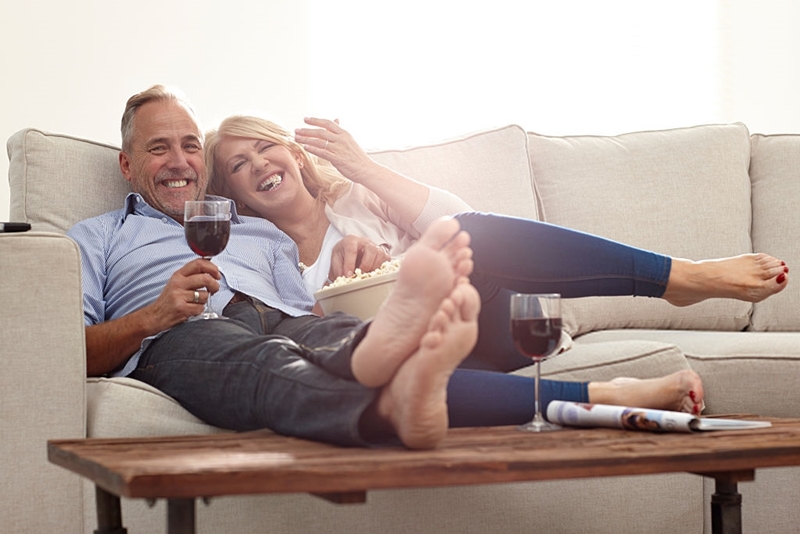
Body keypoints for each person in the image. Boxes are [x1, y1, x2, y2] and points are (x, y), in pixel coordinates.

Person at [68, 85, 704, 454]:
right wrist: (152, 316)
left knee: (354, 343)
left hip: (291, 318)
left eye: (189, 145)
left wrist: (368, 275)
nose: (180, 161)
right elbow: (66, 352)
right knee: (268, 365)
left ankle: (390, 370)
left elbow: (314, 299)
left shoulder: (255, 225)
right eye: (159, 148)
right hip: (180, 336)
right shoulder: (96, 238)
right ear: (128, 165)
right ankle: (586, 398)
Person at [204, 114, 790, 373]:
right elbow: (286, 335)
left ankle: (678, 278)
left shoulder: (360, 197)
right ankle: (599, 395)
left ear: (295, 154)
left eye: (265, 147)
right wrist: (338, 301)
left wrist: (365, 174)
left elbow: (467, 224)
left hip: (482, 322)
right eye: (238, 164)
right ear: (233, 194)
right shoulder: (252, 254)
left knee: (466, 236)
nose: (259, 164)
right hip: (406, 357)